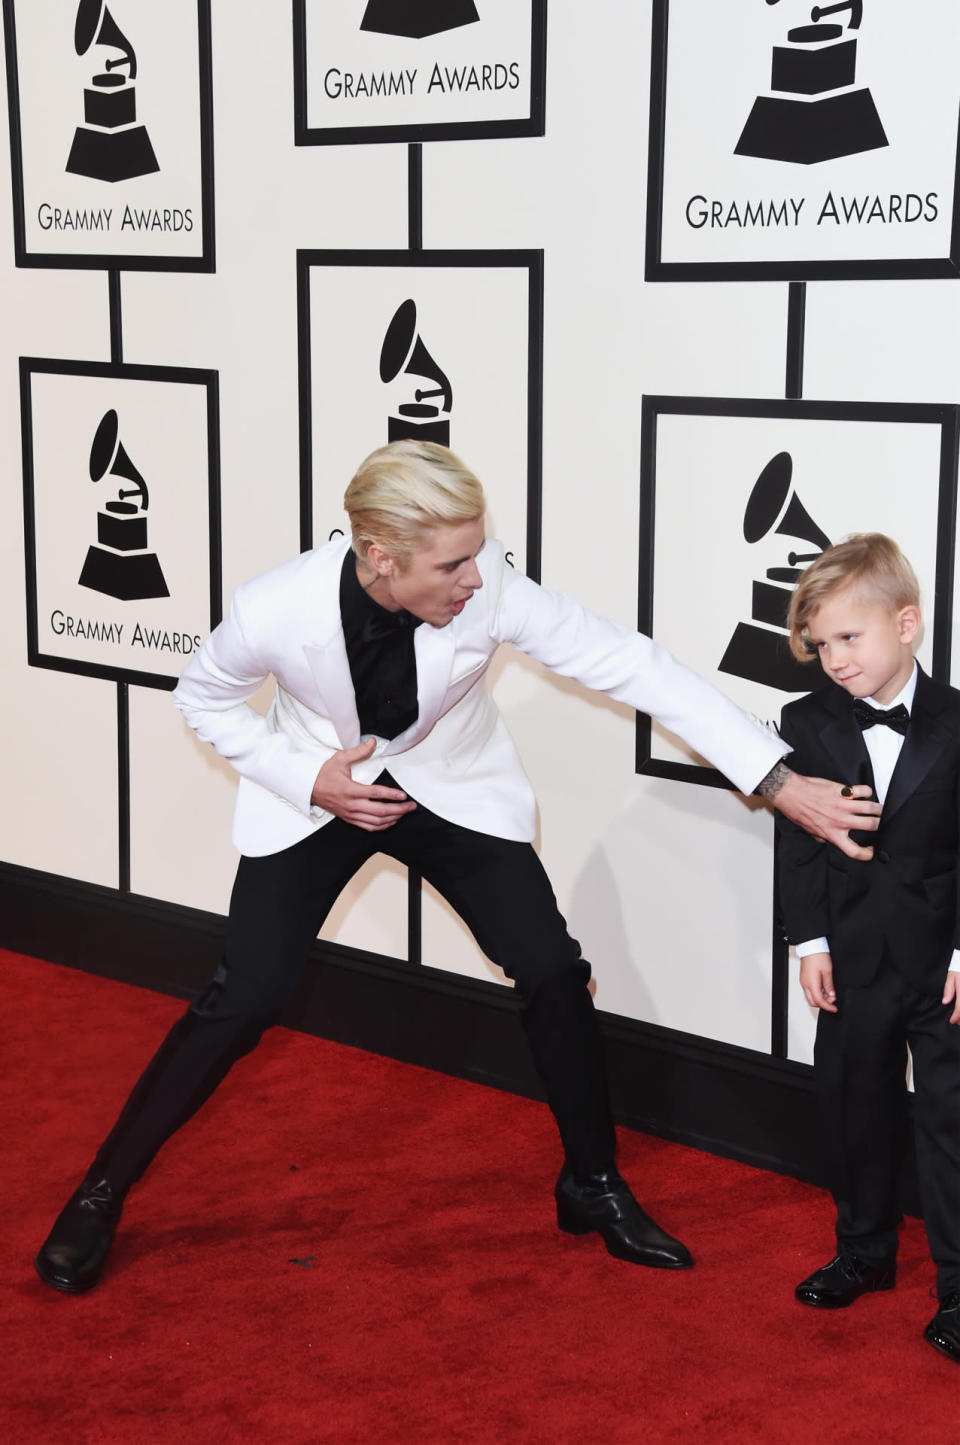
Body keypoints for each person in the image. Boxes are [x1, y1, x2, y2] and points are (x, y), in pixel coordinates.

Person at [35, 440, 880, 1295]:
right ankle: (101, 1192)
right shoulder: (275, 610)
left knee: (553, 968)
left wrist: (777, 783)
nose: (476, 577)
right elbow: (200, 695)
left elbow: (634, 664)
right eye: (453, 563)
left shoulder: (492, 590)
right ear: (380, 556)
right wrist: (308, 778)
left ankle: (591, 1183)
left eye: (477, 551)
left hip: (448, 783)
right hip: (320, 789)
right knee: (246, 992)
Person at [776, 533, 960, 1364]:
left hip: (944, 962)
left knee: (951, 1122)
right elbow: (800, 842)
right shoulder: (806, 721)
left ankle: (958, 1287)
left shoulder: (959, 720)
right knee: (855, 1106)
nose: (836, 661)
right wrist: (808, 940)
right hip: (849, 955)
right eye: (821, 646)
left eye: (851, 638)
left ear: (908, 623)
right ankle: (864, 1252)